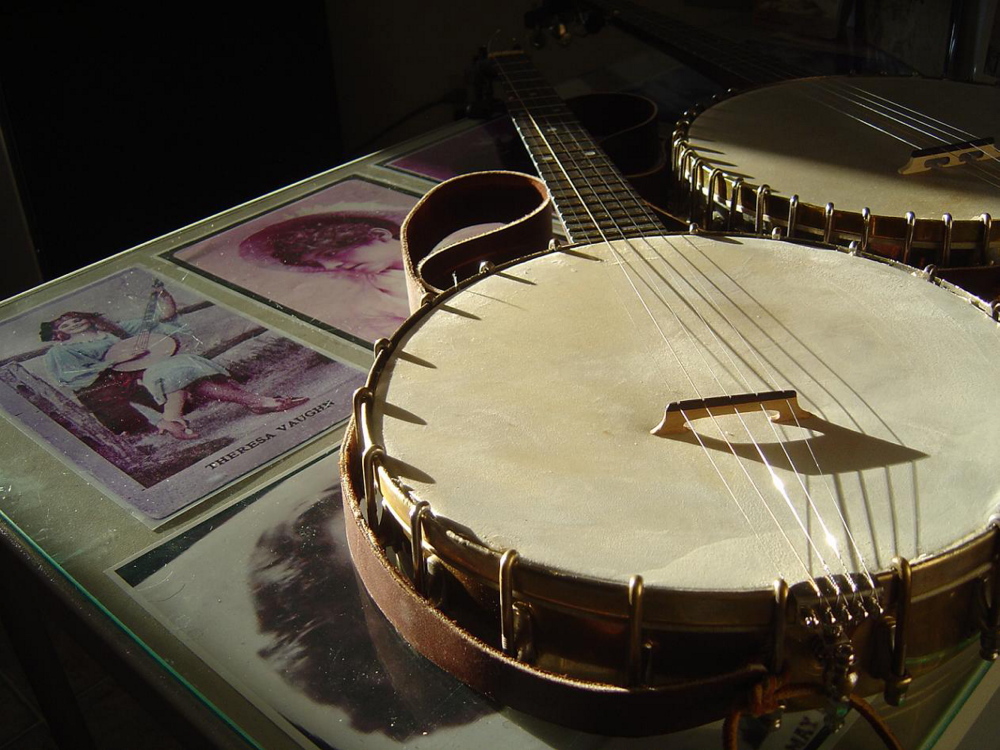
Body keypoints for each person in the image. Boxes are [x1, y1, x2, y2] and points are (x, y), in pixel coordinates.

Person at [40, 283, 307, 440]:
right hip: (117, 382)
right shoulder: (62, 351)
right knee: (178, 370)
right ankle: (258, 402)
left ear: (88, 318)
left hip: (150, 371)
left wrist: (163, 297)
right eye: (66, 323)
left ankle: (172, 419)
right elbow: (72, 376)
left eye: (77, 318)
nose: (74, 324)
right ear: (60, 331)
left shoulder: (116, 330)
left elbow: (164, 320)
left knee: (184, 368)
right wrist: (117, 360)